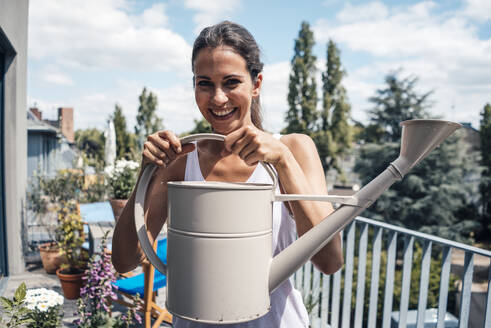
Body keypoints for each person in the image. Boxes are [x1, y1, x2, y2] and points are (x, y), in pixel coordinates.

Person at [112, 20, 343, 327]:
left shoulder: (294, 149)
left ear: (256, 84)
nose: (218, 98)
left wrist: (283, 161)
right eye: (204, 83)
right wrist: (147, 173)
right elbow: (125, 260)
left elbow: (329, 261)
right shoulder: (182, 159)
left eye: (231, 82)